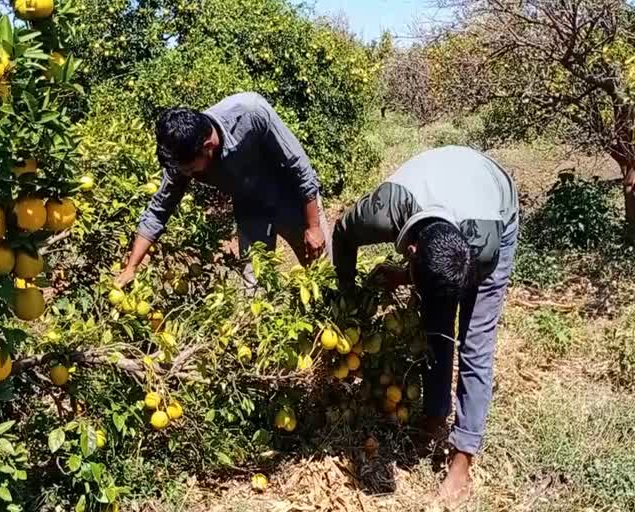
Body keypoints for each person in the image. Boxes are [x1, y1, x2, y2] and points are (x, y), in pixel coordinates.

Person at [331, 146, 519, 505]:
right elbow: (341, 233)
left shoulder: (484, 246)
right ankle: (433, 417)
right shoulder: (380, 213)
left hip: (493, 200)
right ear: (412, 251)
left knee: (475, 341)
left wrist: (412, 277)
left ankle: (463, 458)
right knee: (436, 324)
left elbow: (467, 320)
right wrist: (348, 301)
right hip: (439, 192)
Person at [114, 92, 330, 289]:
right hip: (250, 210)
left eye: (190, 169)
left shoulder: (250, 113)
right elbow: (159, 209)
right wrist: (132, 266)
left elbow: (299, 167)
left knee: (325, 274)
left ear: (208, 146)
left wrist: (313, 226)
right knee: (254, 290)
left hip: (292, 198)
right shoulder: (181, 157)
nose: (186, 175)